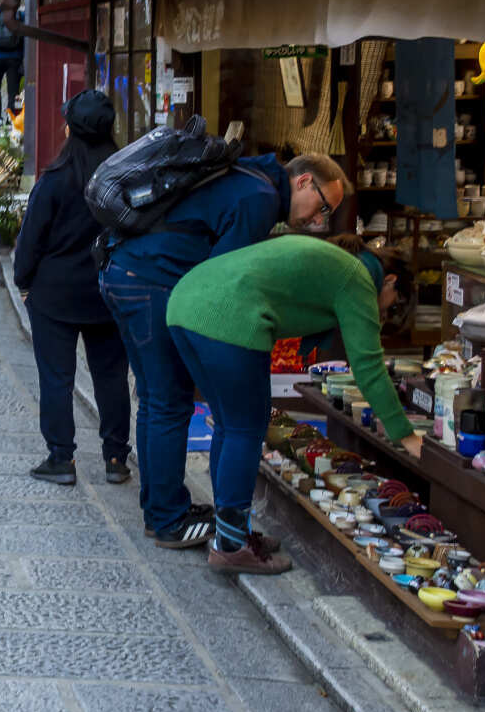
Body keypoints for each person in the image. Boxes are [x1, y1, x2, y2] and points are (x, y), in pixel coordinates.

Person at [101, 150, 348, 552]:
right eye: (322, 206)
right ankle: (167, 519)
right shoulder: (260, 198)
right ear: (303, 181)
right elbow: (224, 282)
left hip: (124, 271)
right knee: (169, 402)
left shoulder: (251, 176)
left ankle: (161, 511)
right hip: (151, 281)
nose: (318, 220)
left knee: (156, 399)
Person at [167, 235, 420, 574]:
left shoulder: (339, 263)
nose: (384, 312)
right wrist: (405, 435)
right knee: (246, 427)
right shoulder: (358, 278)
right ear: (389, 281)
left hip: (186, 303)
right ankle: (231, 546)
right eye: (390, 305)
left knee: (230, 425)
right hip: (227, 315)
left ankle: (231, 532)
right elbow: (369, 366)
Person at [13, 90, 131, 487]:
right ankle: (116, 457)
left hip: (56, 291)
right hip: (108, 288)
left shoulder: (57, 178)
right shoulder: (124, 178)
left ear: (71, 128)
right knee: (111, 376)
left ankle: (61, 457)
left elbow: (31, 240)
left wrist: (24, 282)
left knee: (57, 377)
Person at [0, 2, 25, 112]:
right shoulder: (19, 15)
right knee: (13, 90)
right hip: (14, 57)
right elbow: (24, 37)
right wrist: (22, 55)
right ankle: (11, 117)